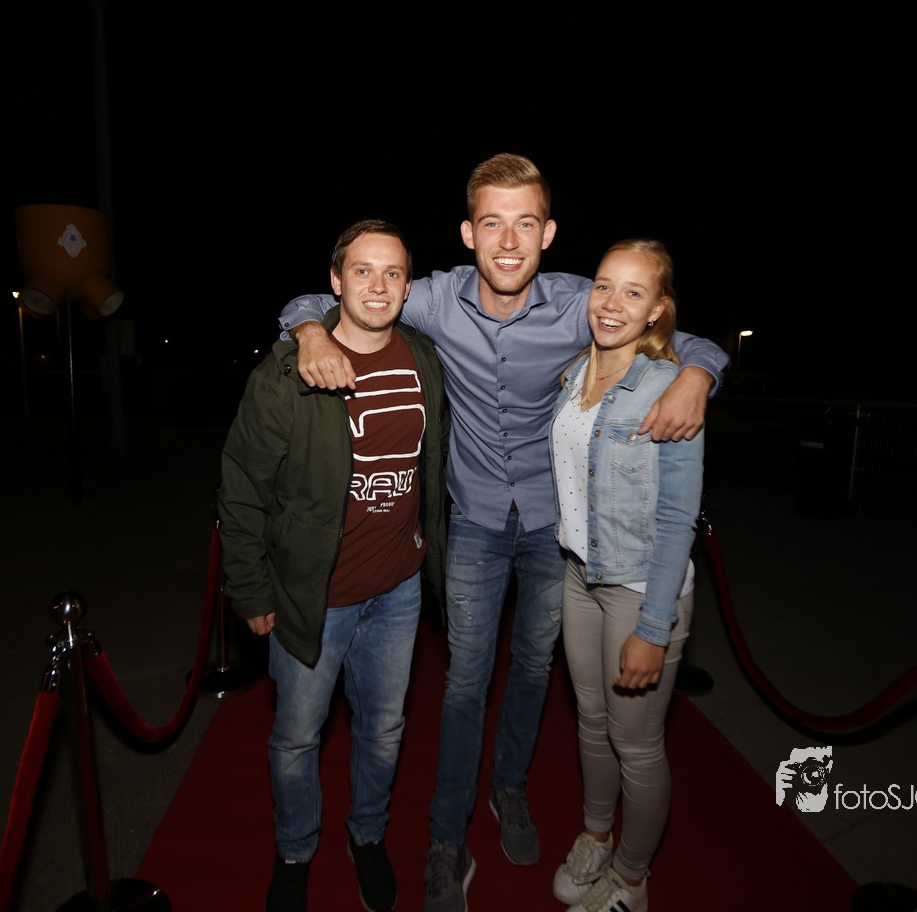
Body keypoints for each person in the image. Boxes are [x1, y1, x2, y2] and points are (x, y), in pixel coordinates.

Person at [278, 153, 729, 912]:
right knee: (464, 680)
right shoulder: (433, 298)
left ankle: (510, 788)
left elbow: (681, 332)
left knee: (532, 671)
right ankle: (445, 838)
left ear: (548, 233)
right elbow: (324, 296)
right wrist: (309, 335)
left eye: (526, 223)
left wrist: (699, 375)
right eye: (493, 223)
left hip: (557, 530)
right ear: (469, 232)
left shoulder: (583, 301)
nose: (509, 241)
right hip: (475, 523)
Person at [219, 219, 448, 912]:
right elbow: (242, 486)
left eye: (392, 273)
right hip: (313, 597)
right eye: (362, 271)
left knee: (385, 730)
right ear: (335, 280)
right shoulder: (288, 371)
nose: (377, 286)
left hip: (399, 591)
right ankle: (296, 850)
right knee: (296, 738)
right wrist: (250, 588)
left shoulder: (424, 359)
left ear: (408, 285)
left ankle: (367, 835)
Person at [547, 239, 704, 912]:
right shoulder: (574, 372)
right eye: (604, 286)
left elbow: (678, 518)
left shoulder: (669, 387)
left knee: (635, 744)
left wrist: (654, 626)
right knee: (591, 721)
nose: (612, 304)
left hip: (641, 588)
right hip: (579, 576)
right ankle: (595, 836)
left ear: (657, 310)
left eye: (633, 293)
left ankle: (632, 879)